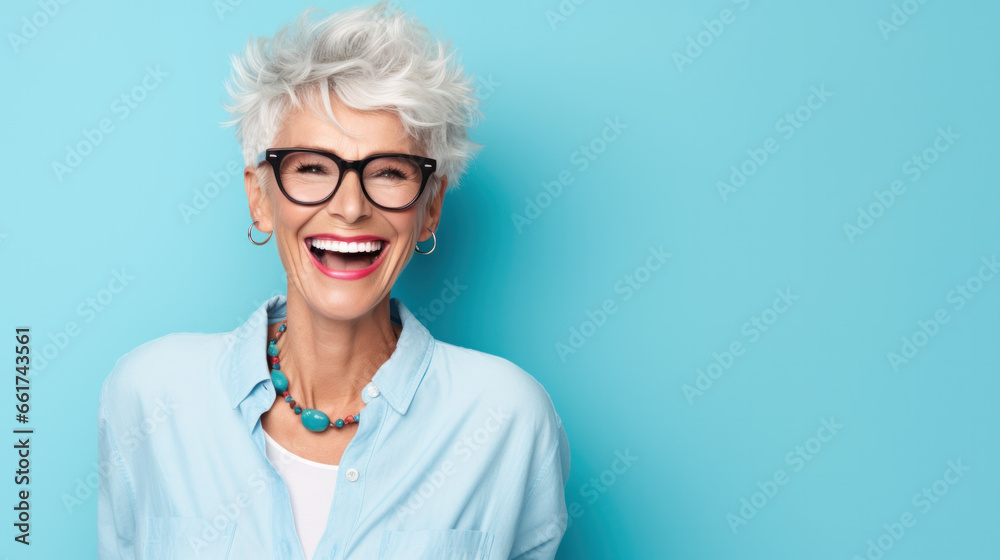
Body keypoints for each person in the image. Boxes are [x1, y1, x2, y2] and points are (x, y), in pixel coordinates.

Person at [97, 2, 571, 559]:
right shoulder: (152, 397)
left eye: (390, 172)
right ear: (260, 198)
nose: (349, 208)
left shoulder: (506, 419)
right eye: (313, 167)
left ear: (431, 207)